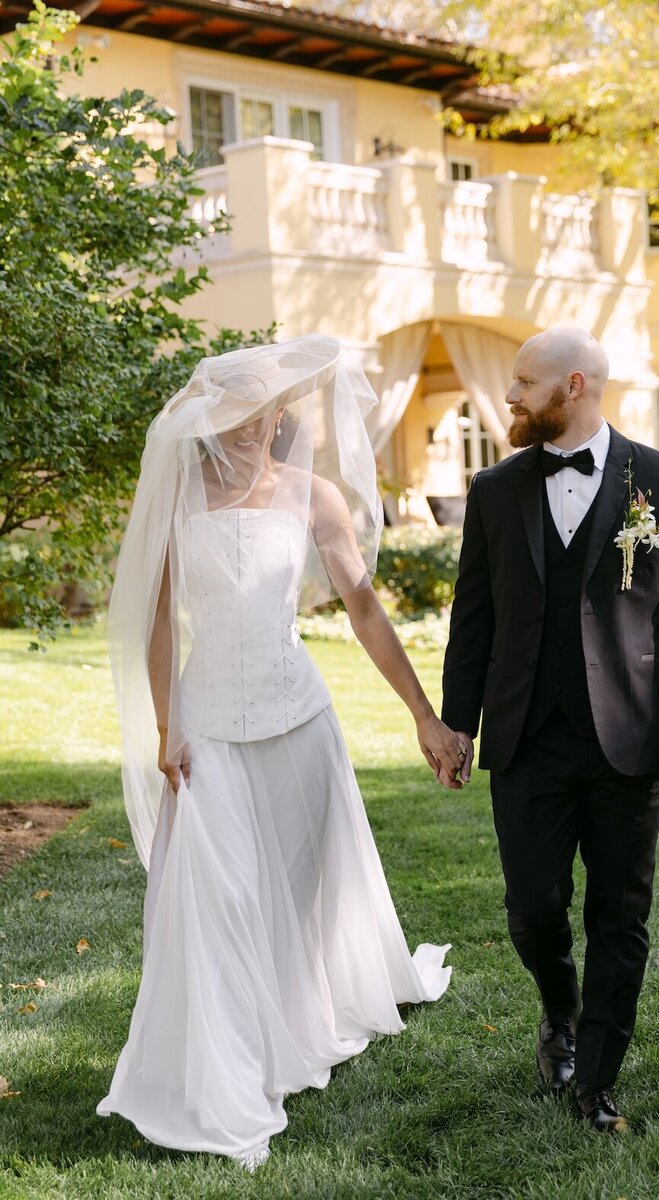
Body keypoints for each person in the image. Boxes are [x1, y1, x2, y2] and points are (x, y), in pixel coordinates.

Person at [97, 335, 464, 1170]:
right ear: (208, 421)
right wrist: (166, 725)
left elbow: (364, 609)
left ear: (278, 418)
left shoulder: (312, 496)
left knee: (301, 890)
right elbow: (155, 619)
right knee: (218, 896)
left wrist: (421, 712)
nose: (251, 432)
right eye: (236, 418)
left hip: (299, 719)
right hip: (207, 723)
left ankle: (297, 1016)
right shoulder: (175, 500)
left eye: (264, 417)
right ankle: (226, 1068)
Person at [441, 327, 659, 1133]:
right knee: (532, 908)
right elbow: (475, 618)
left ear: (572, 386)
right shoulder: (494, 489)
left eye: (523, 384)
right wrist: (455, 724)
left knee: (619, 914)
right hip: (527, 735)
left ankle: (596, 1081)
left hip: (632, 737)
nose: (509, 398)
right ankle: (559, 1011)